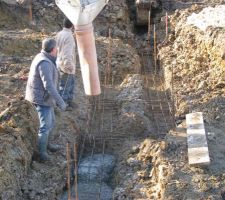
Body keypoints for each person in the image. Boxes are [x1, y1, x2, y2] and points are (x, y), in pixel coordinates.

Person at [25, 38, 66, 161]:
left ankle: (48, 145)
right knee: (45, 126)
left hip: (44, 97)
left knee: (51, 122)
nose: (58, 50)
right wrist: (60, 102)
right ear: (53, 49)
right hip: (41, 99)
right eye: (57, 49)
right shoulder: (45, 63)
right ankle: (42, 154)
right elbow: (48, 86)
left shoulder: (44, 57)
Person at [56, 17, 76, 109]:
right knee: (65, 87)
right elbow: (67, 53)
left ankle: (69, 102)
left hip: (59, 62)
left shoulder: (59, 34)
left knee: (68, 85)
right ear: (72, 25)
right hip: (66, 65)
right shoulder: (69, 37)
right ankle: (63, 105)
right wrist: (69, 66)